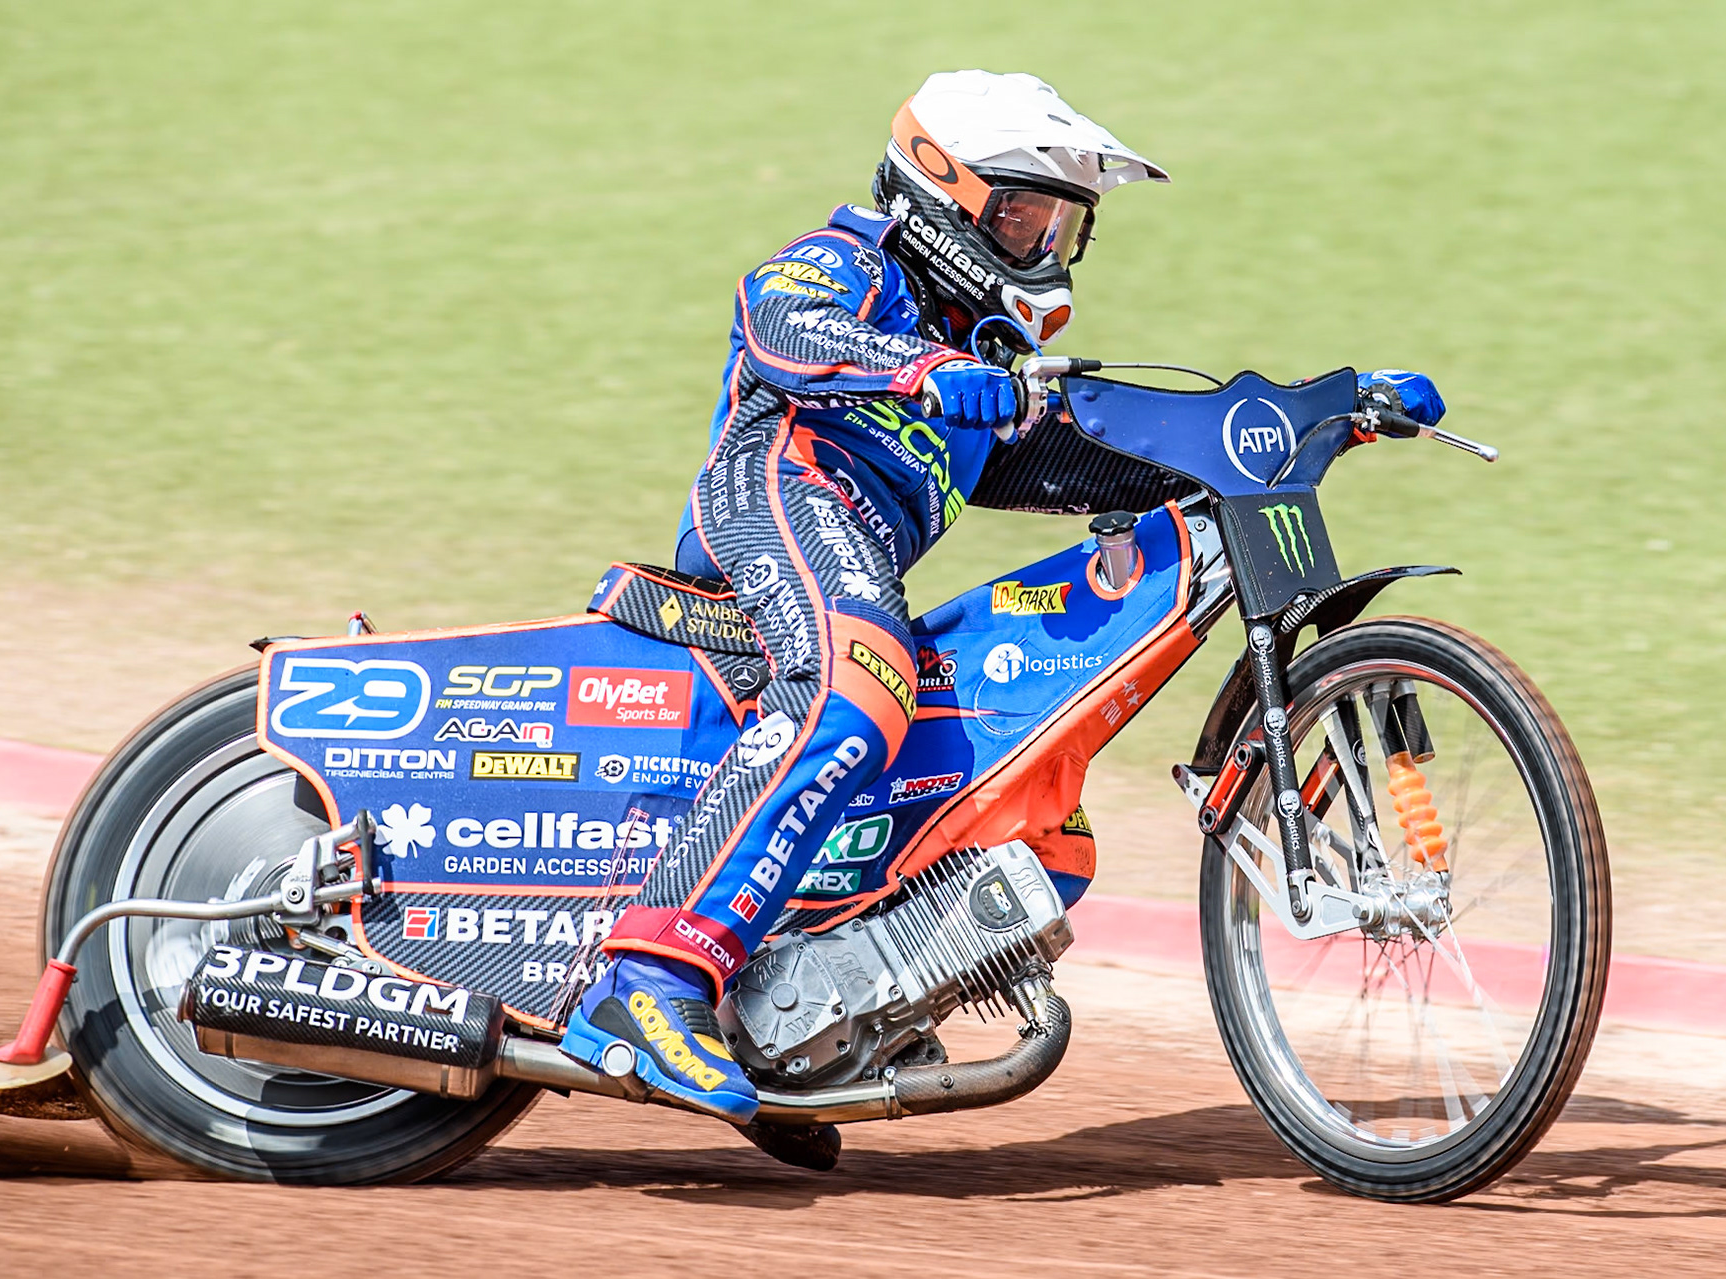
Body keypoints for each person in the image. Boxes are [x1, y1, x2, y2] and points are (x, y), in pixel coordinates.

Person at [559, 70, 1446, 1123]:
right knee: (861, 683)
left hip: (850, 552)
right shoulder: (849, 261)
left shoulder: (990, 357)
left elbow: (1085, 460)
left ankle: (807, 1023)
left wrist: (1305, 426)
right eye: (1023, 213)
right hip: (773, 497)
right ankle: (650, 979)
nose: (1044, 243)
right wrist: (918, 370)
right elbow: (782, 327)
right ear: (940, 196)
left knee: (1037, 811)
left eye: (1062, 223)